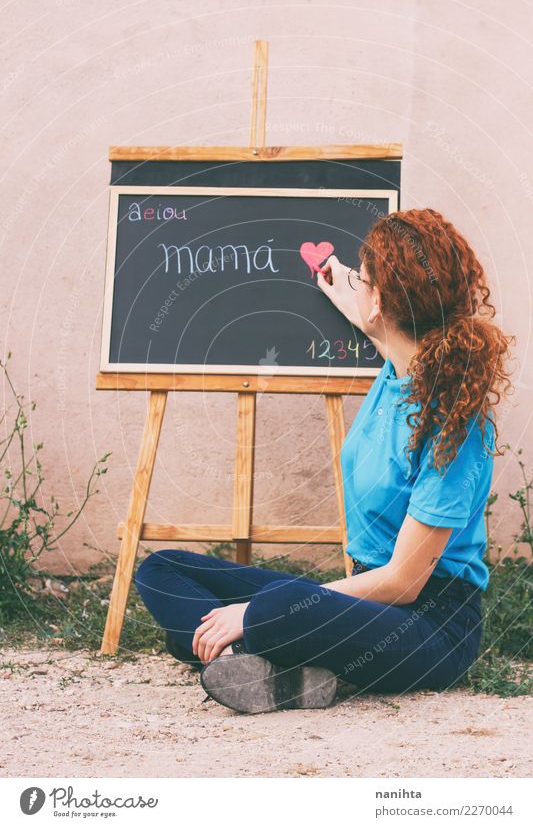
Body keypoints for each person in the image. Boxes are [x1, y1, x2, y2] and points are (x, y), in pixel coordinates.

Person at [134, 208, 514, 715]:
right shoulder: (400, 361)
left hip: (427, 626)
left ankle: (244, 646)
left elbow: (403, 581)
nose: (358, 287)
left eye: (366, 280)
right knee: (163, 568)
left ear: (380, 301)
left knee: (274, 608)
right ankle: (274, 661)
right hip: (358, 602)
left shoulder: (451, 421)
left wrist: (252, 613)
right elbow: (372, 318)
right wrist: (337, 278)